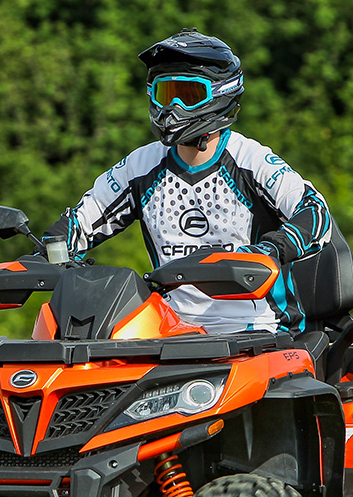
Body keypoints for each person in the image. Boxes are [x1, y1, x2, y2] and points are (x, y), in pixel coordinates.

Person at [44, 28, 333, 335]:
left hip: (256, 330)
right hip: (165, 330)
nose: (173, 109)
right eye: (165, 94)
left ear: (221, 93)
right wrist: (48, 252)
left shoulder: (251, 160)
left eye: (189, 95)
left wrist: (269, 251)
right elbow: (79, 224)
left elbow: (316, 214)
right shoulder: (140, 166)